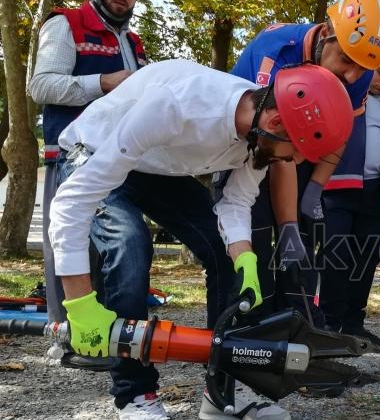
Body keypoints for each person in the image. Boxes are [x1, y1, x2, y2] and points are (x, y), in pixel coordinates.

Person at [49, 60, 353, 419]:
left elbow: (236, 203)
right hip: (96, 152)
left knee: (224, 255)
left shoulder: (258, 139)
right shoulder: (177, 104)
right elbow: (71, 202)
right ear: (275, 122)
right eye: (297, 151)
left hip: (154, 165)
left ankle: (222, 392)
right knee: (129, 245)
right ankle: (134, 394)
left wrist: (244, 260)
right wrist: (79, 303)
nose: (296, 160)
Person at [226, 0, 380, 323]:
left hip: (298, 151)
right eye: (346, 60)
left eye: (362, 68)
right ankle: (244, 328)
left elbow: (340, 133)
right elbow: (274, 150)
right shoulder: (275, 51)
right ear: (328, 32)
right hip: (246, 148)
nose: (351, 76)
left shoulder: (357, 73)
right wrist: (285, 221)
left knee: (303, 240)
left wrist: (315, 188)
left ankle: (297, 323)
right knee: (254, 237)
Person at [27, 0, 147, 369]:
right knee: (67, 240)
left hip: (123, 155)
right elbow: (41, 86)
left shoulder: (133, 42)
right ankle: (64, 338)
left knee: (118, 243)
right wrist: (103, 81)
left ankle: (108, 336)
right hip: (70, 152)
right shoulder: (65, 24)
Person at [319, 40, 380, 346]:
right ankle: (328, 321)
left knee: (367, 258)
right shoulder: (342, 94)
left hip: (374, 194)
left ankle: (354, 321)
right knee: (335, 255)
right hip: (339, 187)